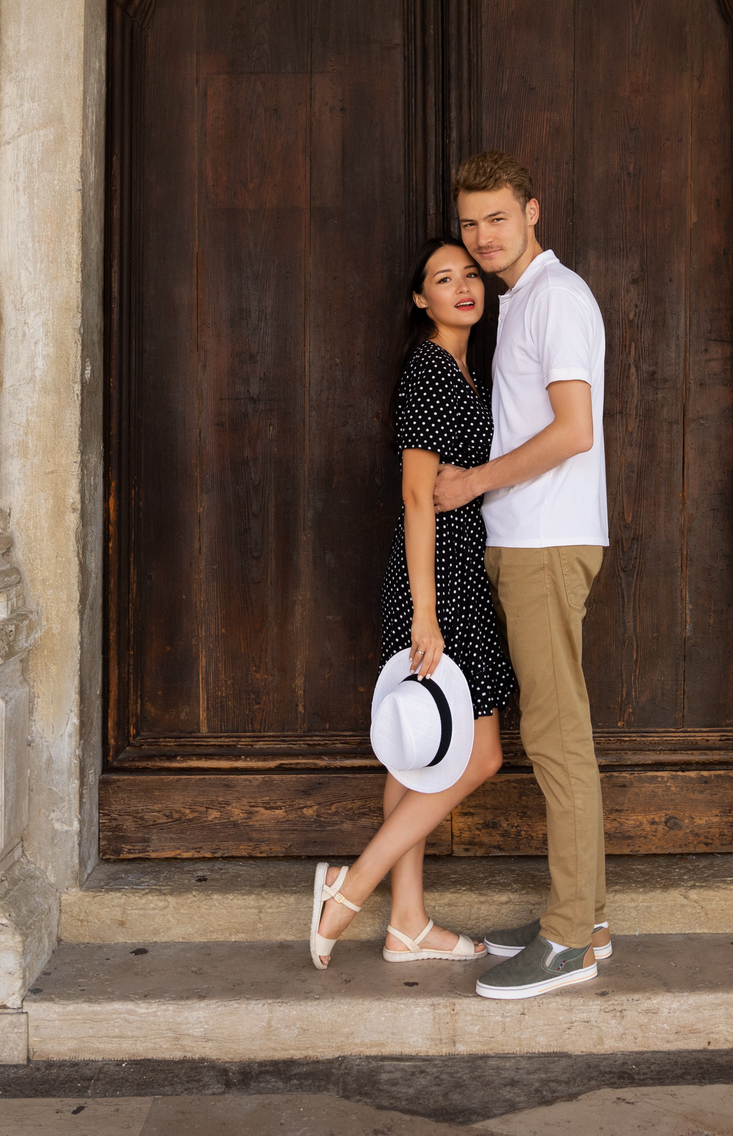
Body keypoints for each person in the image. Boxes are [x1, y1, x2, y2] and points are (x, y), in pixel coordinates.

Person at [435, 151, 612, 1001]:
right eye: (470, 222)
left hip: (545, 544)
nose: (483, 235)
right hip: (526, 541)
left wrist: (471, 481)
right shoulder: (524, 301)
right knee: (552, 732)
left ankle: (570, 938)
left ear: (532, 210)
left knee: (555, 738)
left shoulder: (559, 298)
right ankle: (585, 919)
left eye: (497, 217)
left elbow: (574, 430)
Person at [309, 237, 513, 969]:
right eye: (441, 278)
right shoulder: (431, 369)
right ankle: (349, 886)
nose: (462, 285)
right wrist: (427, 614)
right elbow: (415, 494)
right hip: (441, 580)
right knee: (478, 754)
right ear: (419, 300)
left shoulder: (464, 367)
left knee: (416, 760)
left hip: (452, 569)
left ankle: (408, 923)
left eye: (468, 273)